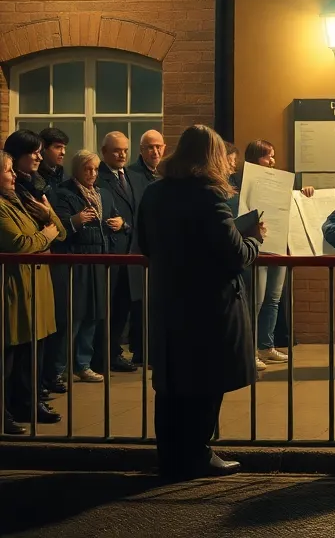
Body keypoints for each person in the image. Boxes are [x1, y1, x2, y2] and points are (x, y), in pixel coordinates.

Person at [137, 124, 266, 480]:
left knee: (171, 385)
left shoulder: (154, 194)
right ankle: (198, 454)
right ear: (212, 157)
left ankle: (170, 457)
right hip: (209, 307)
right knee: (206, 384)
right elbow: (235, 254)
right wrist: (253, 238)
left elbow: (145, 245)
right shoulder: (209, 197)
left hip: (169, 302)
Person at [0, 149, 66, 432]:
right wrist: (46, 235)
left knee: (29, 352)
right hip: (14, 287)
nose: (14, 175)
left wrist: (50, 215)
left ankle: (25, 404)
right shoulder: (3, 206)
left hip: (34, 287)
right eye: (8, 170)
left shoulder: (21, 200)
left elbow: (60, 231)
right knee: (9, 358)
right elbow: (20, 243)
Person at [237, 139, 312, 369]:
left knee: (273, 299)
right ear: (254, 158)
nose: (273, 161)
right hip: (257, 247)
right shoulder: (243, 183)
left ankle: (266, 346)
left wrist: (304, 193)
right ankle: (249, 351)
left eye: (273, 156)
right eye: (268, 156)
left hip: (279, 247)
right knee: (256, 301)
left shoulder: (279, 181)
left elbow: (290, 205)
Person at [48, 150, 110, 384]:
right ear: (77, 169)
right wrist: (75, 221)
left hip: (98, 258)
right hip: (76, 259)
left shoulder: (103, 193)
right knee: (72, 315)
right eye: (87, 169)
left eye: (95, 169)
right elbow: (58, 225)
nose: (92, 174)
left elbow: (113, 216)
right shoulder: (64, 193)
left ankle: (83, 364)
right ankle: (60, 367)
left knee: (93, 314)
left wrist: (120, 223)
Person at [93, 131, 142, 374]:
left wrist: (130, 226)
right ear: (104, 152)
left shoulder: (133, 176)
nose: (122, 154)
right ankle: (102, 355)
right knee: (107, 307)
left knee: (123, 305)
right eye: (116, 150)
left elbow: (135, 213)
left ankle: (114, 352)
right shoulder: (97, 178)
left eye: (124, 150)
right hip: (111, 252)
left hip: (131, 252)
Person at [38, 127, 69, 192]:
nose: (63, 152)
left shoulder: (63, 175)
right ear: (43, 148)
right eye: (58, 147)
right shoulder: (35, 175)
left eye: (64, 148)